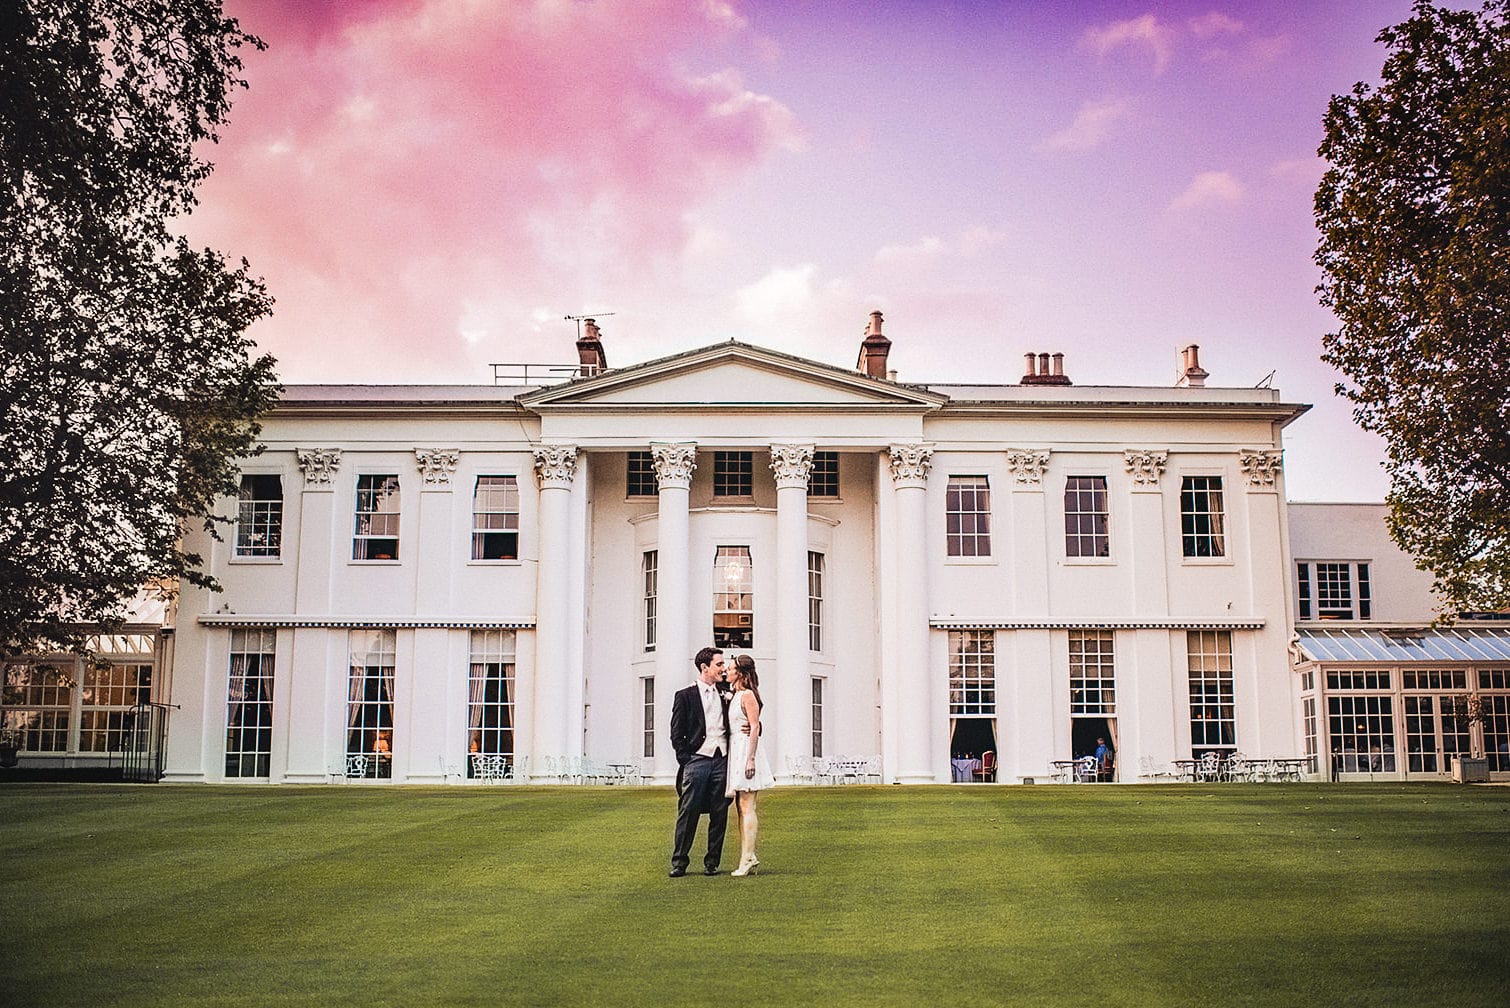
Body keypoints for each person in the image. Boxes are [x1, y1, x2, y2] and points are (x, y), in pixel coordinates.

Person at [668, 647, 732, 877]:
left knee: (719, 812)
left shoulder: (727, 692)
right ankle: (679, 862)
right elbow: (676, 732)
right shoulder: (685, 696)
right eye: (719, 664)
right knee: (688, 811)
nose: (723, 668)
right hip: (697, 760)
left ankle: (712, 862)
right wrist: (686, 760)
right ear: (704, 667)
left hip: (722, 760)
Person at [724, 654, 775, 877]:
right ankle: (746, 855)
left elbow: (754, 727)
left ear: (741, 673)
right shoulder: (735, 695)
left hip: (746, 750)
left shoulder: (748, 696)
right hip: (736, 749)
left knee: (747, 806)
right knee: (740, 807)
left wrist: (751, 758)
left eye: (731, 668)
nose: (727, 670)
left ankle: (748, 857)